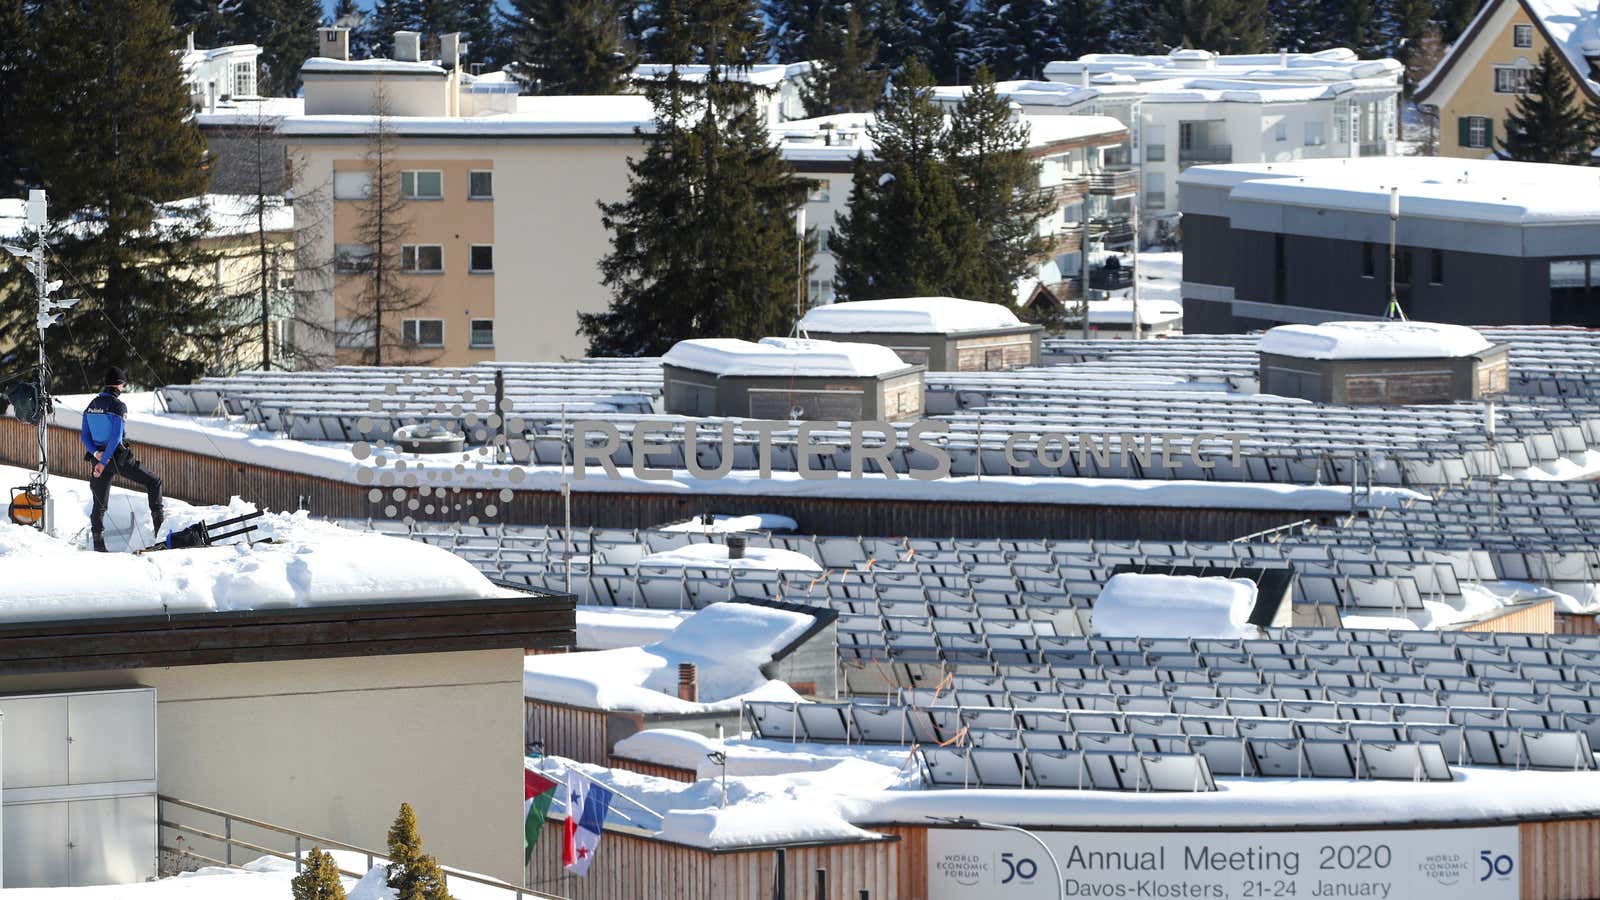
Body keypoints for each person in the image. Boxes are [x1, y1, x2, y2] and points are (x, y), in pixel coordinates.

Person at [80, 367, 163, 552]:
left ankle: (99, 546)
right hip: (117, 458)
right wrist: (104, 462)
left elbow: (84, 436)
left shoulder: (90, 405)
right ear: (119, 385)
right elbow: (116, 439)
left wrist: (96, 455)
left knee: (99, 504)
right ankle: (160, 531)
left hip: (98, 459)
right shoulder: (119, 407)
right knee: (154, 482)